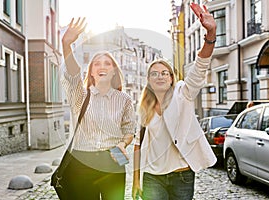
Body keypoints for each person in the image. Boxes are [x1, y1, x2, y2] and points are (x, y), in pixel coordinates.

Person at [132, 3, 217, 200]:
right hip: (153, 177)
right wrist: (136, 180)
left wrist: (211, 33)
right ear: (149, 81)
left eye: (164, 73)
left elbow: (199, 68)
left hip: (183, 175)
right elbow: (137, 145)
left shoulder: (183, 94)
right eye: (154, 74)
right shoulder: (144, 109)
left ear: (171, 78)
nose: (160, 76)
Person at [61, 17, 136, 200]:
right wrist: (66, 44)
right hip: (83, 161)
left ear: (113, 71)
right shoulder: (80, 95)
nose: (102, 66)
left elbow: (129, 131)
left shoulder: (124, 100)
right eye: (97, 63)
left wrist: (122, 144)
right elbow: (72, 73)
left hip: (113, 160)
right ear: (91, 72)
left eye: (107, 63)